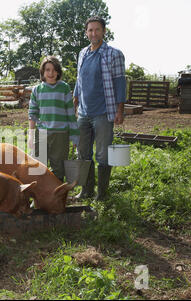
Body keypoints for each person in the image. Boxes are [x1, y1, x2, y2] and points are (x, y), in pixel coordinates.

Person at [73, 16, 126, 201]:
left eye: (97, 29)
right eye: (90, 30)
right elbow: (79, 81)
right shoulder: (82, 53)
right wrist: (75, 103)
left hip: (104, 112)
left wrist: (120, 110)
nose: (93, 33)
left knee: (103, 153)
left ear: (104, 31)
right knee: (83, 152)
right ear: (86, 32)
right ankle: (86, 190)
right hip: (84, 113)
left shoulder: (114, 54)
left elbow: (120, 82)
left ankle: (102, 194)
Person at [28, 56, 79, 182]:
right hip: (42, 133)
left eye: (54, 70)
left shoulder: (64, 88)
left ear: (58, 72)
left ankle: (56, 197)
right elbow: (32, 114)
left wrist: (74, 136)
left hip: (60, 134)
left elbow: (70, 114)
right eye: (47, 70)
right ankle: (39, 197)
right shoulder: (37, 90)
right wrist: (31, 135)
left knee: (58, 168)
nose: (51, 73)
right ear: (42, 72)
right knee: (38, 167)